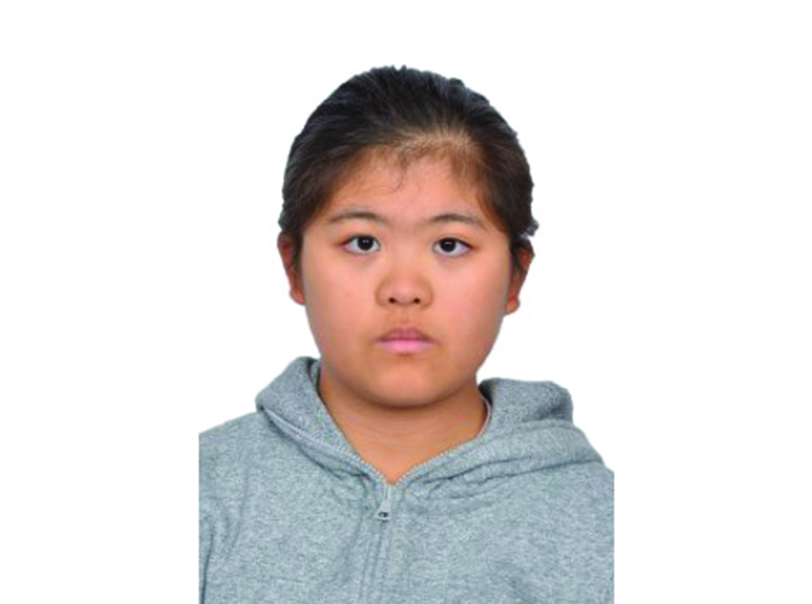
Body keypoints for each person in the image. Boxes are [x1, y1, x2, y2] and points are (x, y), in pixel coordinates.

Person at [199, 66, 614, 603]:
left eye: (449, 245)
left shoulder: (603, 526)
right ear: (293, 266)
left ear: (515, 277)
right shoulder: (201, 492)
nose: (404, 290)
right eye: (363, 242)